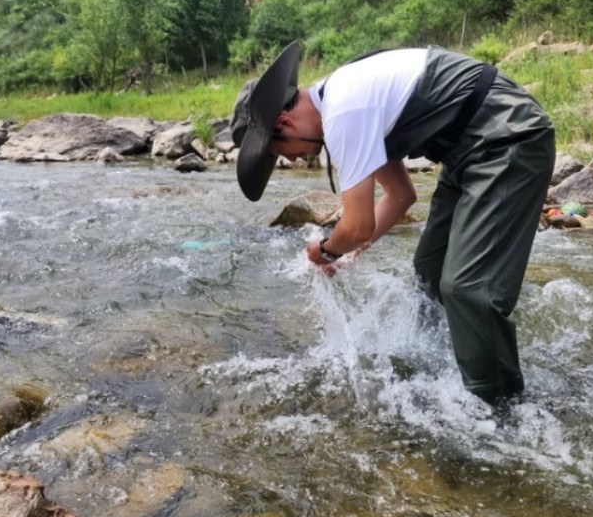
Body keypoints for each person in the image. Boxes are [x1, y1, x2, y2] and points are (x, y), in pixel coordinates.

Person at [231, 41, 555, 410]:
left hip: (507, 137)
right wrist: (350, 252)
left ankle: (500, 408)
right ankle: (451, 367)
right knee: (428, 272)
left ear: (284, 123)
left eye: (280, 152)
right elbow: (401, 194)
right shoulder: (345, 99)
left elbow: (356, 223)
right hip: (468, 153)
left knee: (468, 289)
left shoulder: (343, 111)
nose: (290, 158)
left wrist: (324, 251)